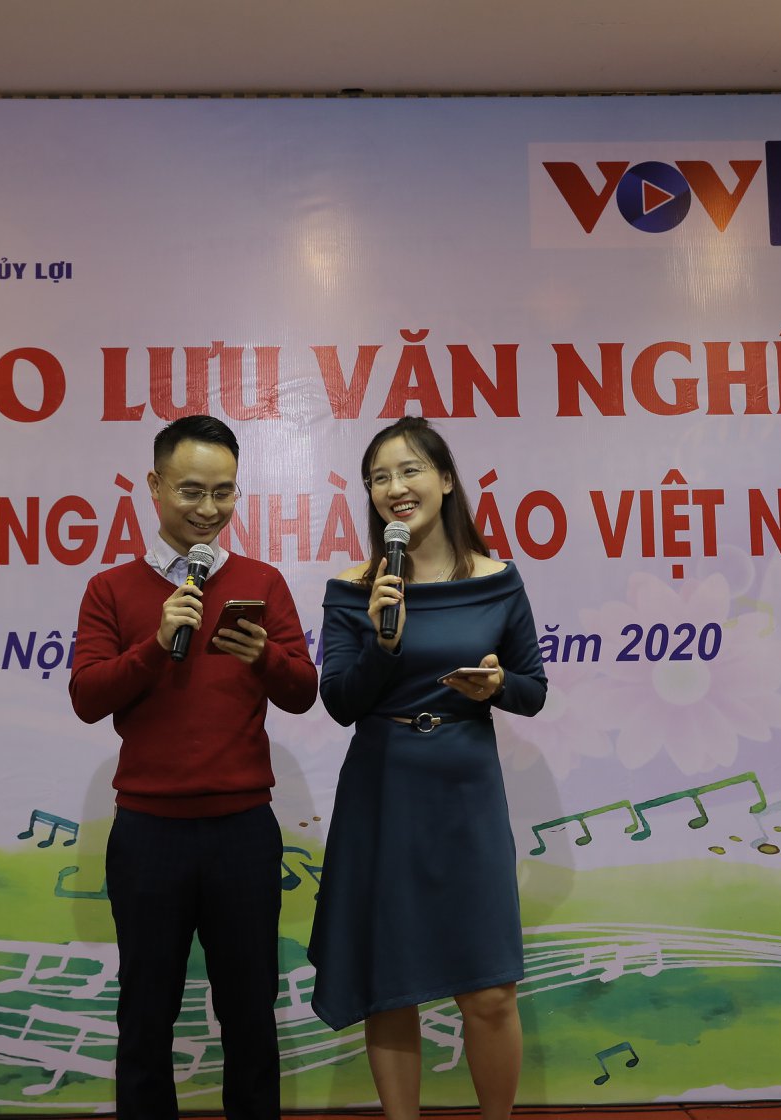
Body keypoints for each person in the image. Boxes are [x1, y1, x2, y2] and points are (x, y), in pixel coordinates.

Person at [68, 414, 318, 1120]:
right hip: (149, 835)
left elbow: (303, 692)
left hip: (243, 831)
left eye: (224, 492)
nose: (209, 509)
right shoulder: (111, 588)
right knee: (146, 1015)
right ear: (154, 487)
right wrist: (155, 645)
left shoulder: (262, 583)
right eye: (191, 491)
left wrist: (263, 657)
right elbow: (87, 697)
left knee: (251, 1014)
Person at [309, 416, 548, 1120]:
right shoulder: (354, 587)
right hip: (383, 789)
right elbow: (339, 703)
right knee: (391, 985)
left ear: (445, 480)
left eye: (410, 470)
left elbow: (533, 690)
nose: (395, 488)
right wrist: (382, 644)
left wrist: (496, 685)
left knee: (490, 991)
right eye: (379, 478)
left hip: (466, 789)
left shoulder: (497, 579)